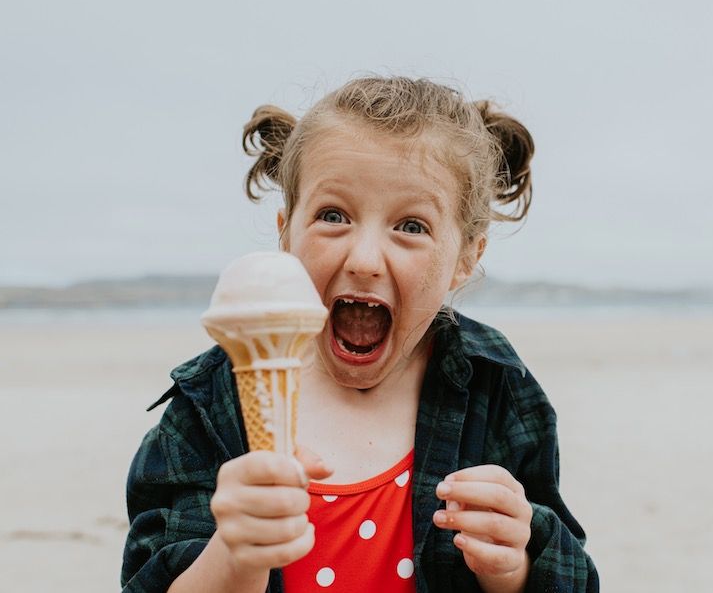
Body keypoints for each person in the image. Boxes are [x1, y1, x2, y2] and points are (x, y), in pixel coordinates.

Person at [121, 76, 598, 593]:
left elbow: (573, 578)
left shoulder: (498, 390)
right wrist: (235, 555)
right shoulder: (209, 407)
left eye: (411, 226)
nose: (365, 260)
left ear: (466, 257)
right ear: (286, 233)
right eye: (333, 216)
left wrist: (514, 567)